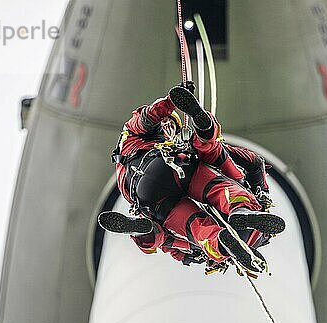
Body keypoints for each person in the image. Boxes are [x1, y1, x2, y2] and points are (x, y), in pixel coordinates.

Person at [101, 83, 285, 271]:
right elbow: (148, 117)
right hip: (170, 166)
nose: (169, 129)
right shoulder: (136, 136)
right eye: (167, 123)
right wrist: (171, 102)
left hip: (151, 198)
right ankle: (205, 128)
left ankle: (148, 231)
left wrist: (189, 259)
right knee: (220, 186)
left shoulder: (130, 154)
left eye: (173, 126)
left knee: (194, 230)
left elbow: (172, 247)